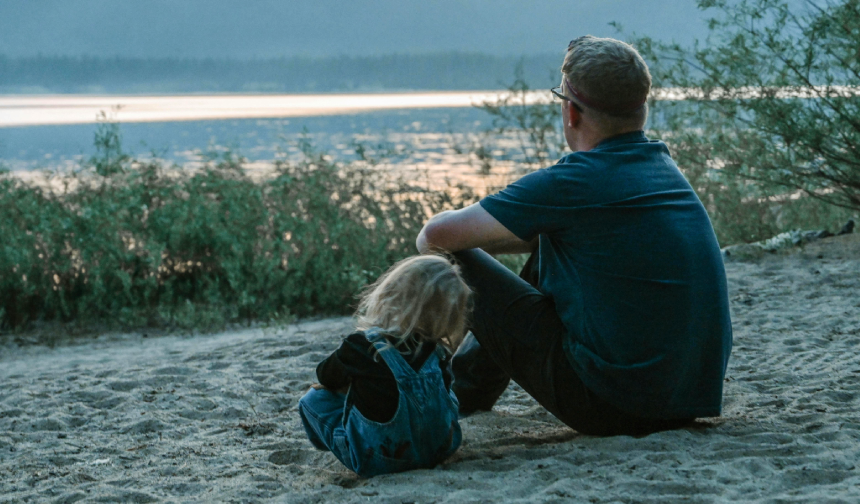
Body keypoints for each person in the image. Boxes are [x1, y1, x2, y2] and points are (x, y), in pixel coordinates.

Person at [416, 36, 733, 436]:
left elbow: (433, 237)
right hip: (688, 397)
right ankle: (467, 390)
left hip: (612, 405)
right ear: (642, 111)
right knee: (552, 238)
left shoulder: (576, 182)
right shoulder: (663, 169)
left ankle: (445, 387)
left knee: (452, 257)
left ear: (571, 112)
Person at [298, 254, 470, 477]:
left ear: (391, 295)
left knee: (313, 399)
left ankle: (337, 444)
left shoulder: (360, 346)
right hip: (438, 451)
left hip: (379, 460)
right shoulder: (438, 351)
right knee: (446, 393)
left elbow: (325, 376)